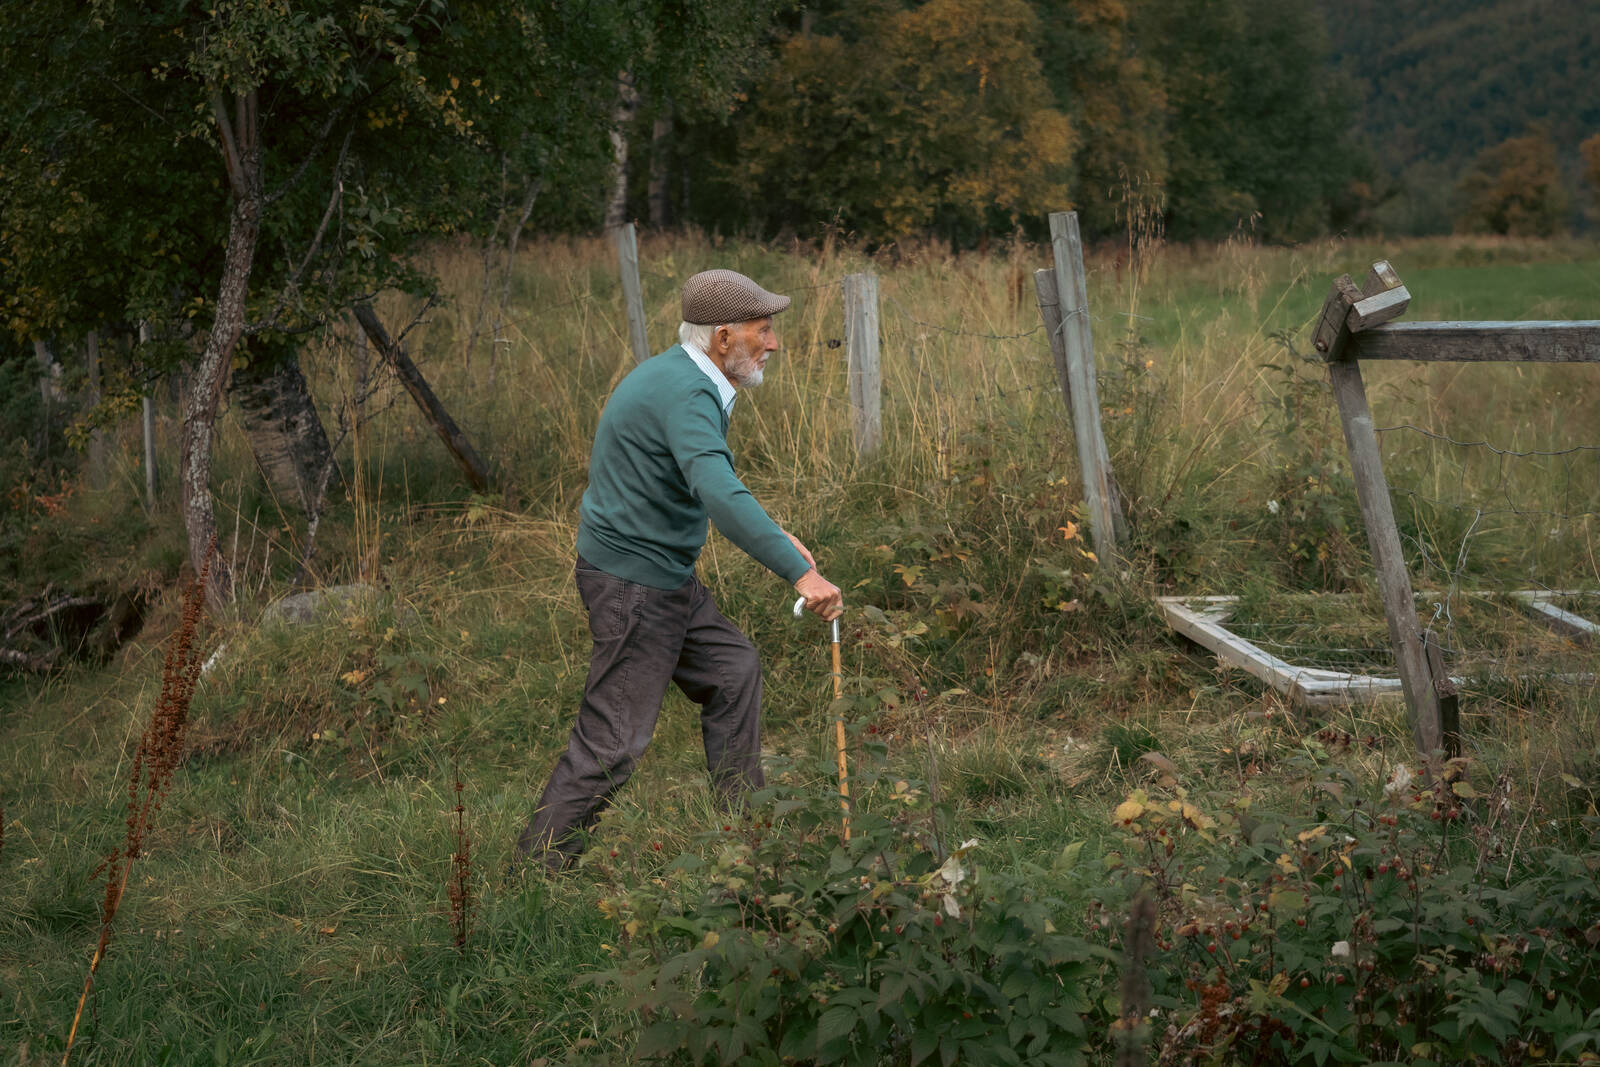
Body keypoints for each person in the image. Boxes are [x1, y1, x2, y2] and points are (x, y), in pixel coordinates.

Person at [514, 268, 844, 871]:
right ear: (723, 337)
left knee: (733, 671)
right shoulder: (688, 394)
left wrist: (779, 538)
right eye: (763, 330)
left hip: (657, 573)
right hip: (635, 584)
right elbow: (717, 489)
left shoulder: (678, 374)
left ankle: (746, 842)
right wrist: (799, 573)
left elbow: (703, 483)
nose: (773, 344)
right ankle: (536, 871)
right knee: (614, 739)